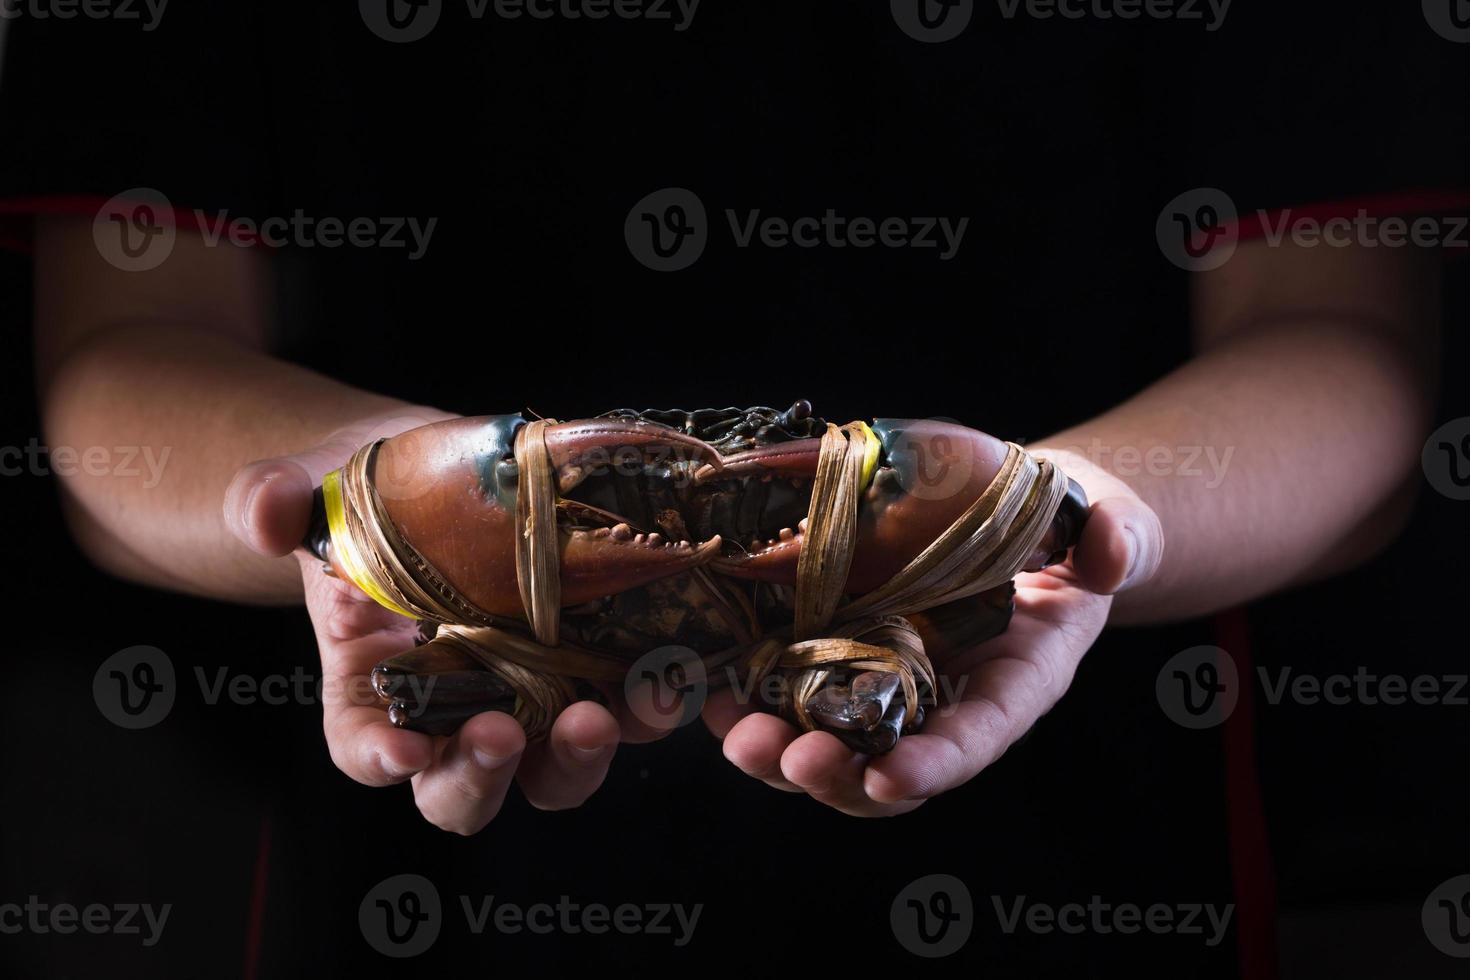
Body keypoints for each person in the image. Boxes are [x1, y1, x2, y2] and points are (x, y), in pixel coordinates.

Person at [4, 5, 1465, 972]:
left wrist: (1083, 514)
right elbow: (132, 345)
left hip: (1079, 801)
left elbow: (1329, 338)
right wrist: (368, 510)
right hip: (435, 808)